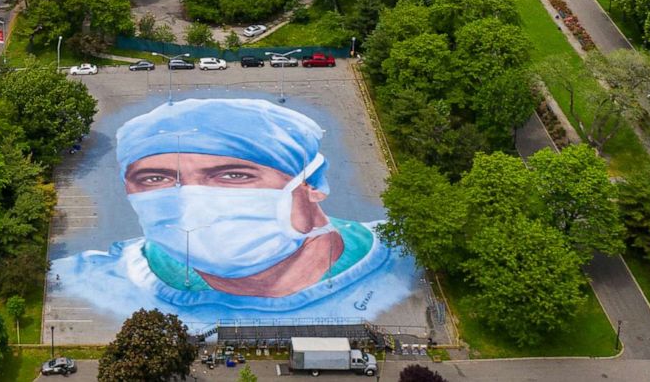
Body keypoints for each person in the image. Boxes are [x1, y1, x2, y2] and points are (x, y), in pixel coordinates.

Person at [50, 98, 417, 324]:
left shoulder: (403, 258)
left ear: (312, 185)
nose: (190, 199)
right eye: (155, 178)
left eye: (233, 174)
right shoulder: (91, 281)